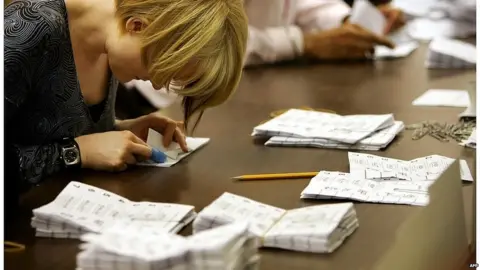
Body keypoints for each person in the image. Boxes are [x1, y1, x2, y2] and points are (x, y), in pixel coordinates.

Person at [4, 0, 248, 201]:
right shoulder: (32, 29)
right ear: (137, 26)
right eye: (158, 69)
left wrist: (120, 129)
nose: (156, 85)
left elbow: (41, 124)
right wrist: (76, 152)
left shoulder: (110, 42)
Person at [127, 0, 405, 109]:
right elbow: (212, 41)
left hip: (246, 92)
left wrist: (348, 24)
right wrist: (302, 42)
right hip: (168, 95)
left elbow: (307, 5)